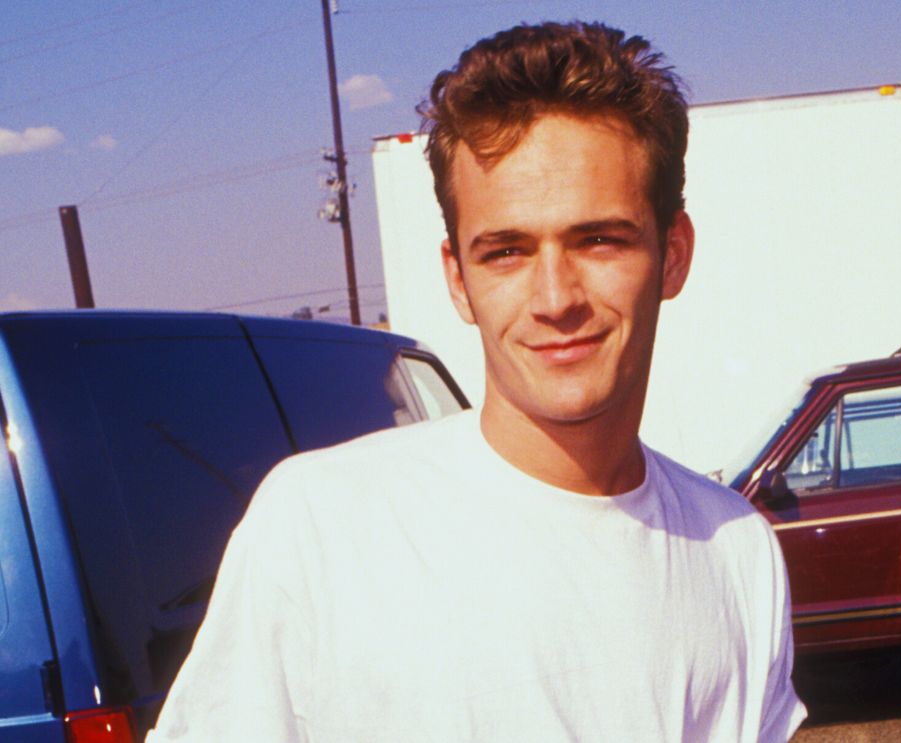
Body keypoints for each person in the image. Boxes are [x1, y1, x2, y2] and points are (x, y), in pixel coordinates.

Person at [148, 20, 806, 742]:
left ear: (672, 253)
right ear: (457, 279)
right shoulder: (319, 527)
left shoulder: (737, 547)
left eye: (597, 239)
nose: (556, 298)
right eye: (506, 252)